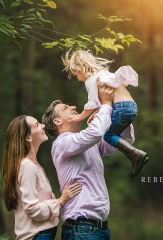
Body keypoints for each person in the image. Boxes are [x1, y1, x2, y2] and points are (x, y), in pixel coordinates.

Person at [41, 83, 134, 240]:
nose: (73, 107)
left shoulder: (87, 141)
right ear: (57, 122)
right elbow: (96, 133)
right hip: (81, 229)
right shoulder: (61, 143)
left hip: (98, 229)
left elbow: (125, 141)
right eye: (65, 108)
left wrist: (120, 113)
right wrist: (104, 105)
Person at [62, 49, 148, 178]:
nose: (78, 78)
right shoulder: (104, 74)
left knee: (108, 135)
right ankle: (134, 155)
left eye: (75, 74)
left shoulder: (91, 80)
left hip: (120, 108)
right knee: (113, 133)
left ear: (80, 69)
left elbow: (91, 103)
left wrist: (78, 117)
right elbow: (102, 102)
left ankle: (136, 154)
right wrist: (95, 114)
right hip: (130, 107)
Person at [2, 115, 82, 240]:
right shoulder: (27, 166)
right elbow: (32, 209)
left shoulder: (34, 165)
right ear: (28, 137)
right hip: (37, 236)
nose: (43, 125)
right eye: (37, 125)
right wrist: (61, 201)